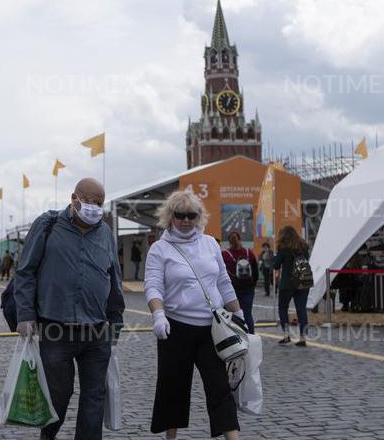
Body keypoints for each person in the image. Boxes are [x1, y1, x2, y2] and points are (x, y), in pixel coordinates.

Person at [14, 177, 124, 440]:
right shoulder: (48, 225)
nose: (95, 208)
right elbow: (25, 271)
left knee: (94, 397)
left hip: (96, 331)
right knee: (58, 395)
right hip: (56, 329)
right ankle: (47, 436)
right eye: (89, 201)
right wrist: (26, 315)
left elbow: (114, 279)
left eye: (99, 203)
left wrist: (115, 322)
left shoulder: (106, 233)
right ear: (74, 199)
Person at [144, 189, 242, 440]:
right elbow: (153, 285)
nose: (186, 220)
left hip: (212, 329)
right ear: (170, 216)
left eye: (191, 215)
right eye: (180, 215)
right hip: (175, 329)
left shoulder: (210, 244)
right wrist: (158, 314)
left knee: (220, 387)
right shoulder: (159, 249)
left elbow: (223, 282)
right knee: (173, 388)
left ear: (199, 216)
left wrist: (239, 313)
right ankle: (171, 437)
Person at [273, 225, 311, 346]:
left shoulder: (283, 248)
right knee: (301, 309)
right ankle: (303, 337)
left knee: (283, 308)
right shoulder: (304, 247)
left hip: (287, 283)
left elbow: (276, 265)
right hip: (303, 281)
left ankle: (286, 335)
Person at [222, 231, 259, 334]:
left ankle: (233, 336)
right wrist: (253, 284)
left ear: (228, 241)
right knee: (247, 314)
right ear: (240, 239)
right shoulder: (249, 252)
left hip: (232, 289)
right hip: (248, 288)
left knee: (231, 314)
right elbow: (255, 272)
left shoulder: (225, 254)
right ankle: (251, 336)